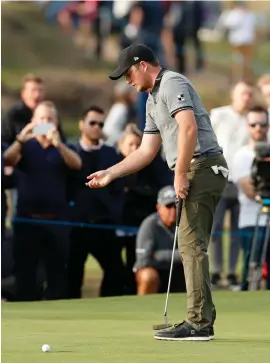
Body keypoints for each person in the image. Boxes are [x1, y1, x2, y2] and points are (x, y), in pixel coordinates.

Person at [86, 43, 228, 341]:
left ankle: (199, 323)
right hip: (193, 167)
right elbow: (146, 151)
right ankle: (201, 318)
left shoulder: (172, 82)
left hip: (203, 166)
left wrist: (179, 174)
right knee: (191, 244)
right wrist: (111, 173)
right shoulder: (152, 100)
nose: (127, 80)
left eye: (127, 73)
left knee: (190, 245)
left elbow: (188, 129)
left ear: (143, 65)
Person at [4, 101, 81, 301]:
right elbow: (7, 159)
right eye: (41, 119)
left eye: (49, 119)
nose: (45, 122)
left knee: (57, 274)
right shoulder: (25, 147)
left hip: (57, 221)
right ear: (33, 121)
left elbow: (76, 164)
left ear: (56, 122)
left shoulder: (64, 147)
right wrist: (21, 139)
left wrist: (58, 144)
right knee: (26, 274)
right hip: (27, 221)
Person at [210, 81, 254, 288]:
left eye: (249, 94)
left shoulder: (253, 120)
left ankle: (232, 272)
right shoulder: (219, 114)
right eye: (243, 93)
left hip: (242, 179)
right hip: (219, 177)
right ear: (234, 95)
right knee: (216, 227)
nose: (247, 97)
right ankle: (217, 271)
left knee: (237, 229)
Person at [231, 106, 270, 290]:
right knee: (251, 272)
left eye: (262, 124)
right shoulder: (241, 156)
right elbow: (249, 189)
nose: (258, 128)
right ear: (247, 126)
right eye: (253, 124)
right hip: (250, 222)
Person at [134, 185, 186, 295]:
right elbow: (144, 260)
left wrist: (158, 255)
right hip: (155, 270)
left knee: (196, 272)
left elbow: (191, 254)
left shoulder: (186, 224)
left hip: (176, 271)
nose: (173, 210)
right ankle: (144, 308)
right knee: (148, 276)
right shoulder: (149, 225)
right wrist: (178, 255)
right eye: (168, 206)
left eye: (176, 206)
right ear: (158, 207)